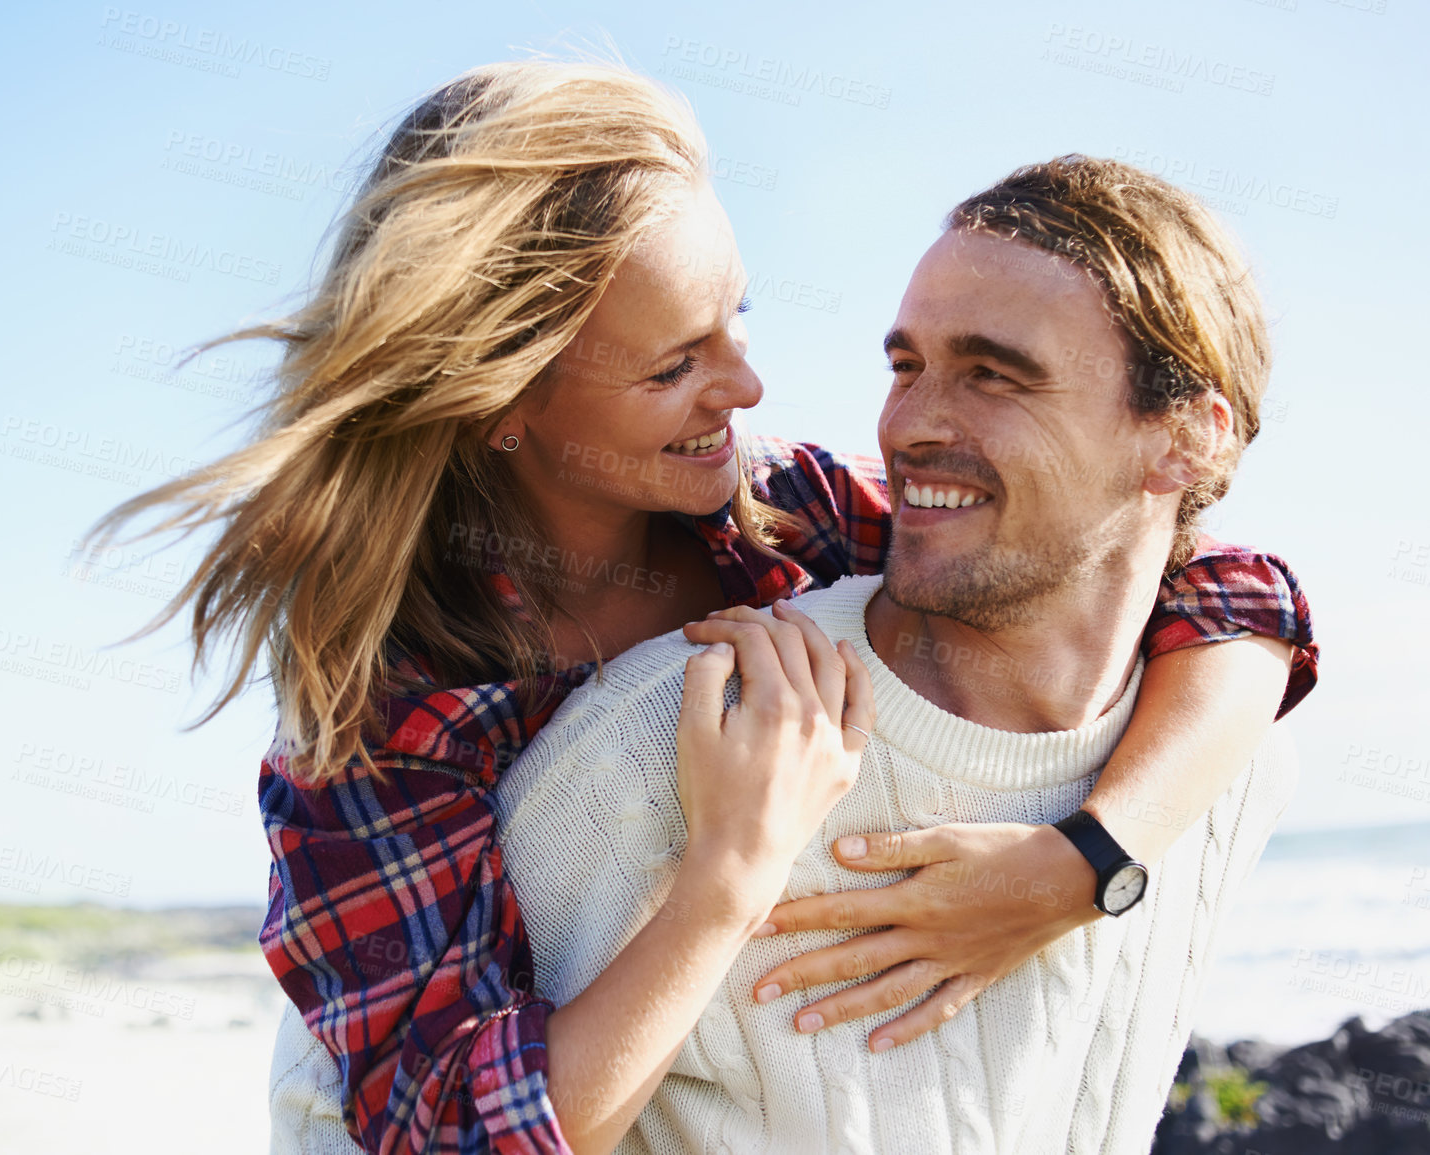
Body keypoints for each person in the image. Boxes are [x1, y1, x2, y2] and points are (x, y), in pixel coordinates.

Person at [88, 62, 1315, 1155]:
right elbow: (458, 1133)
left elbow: (1218, 586)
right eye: (673, 364)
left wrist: (1078, 864)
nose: (746, 384)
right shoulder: (388, 710)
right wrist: (731, 868)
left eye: (736, 317)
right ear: (499, 402)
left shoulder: (781, 513)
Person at [487, 154, 1301, 1153]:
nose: (911, 424)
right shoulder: (669, 742)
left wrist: (1090, 862)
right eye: (906, 366)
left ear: (1185, 442)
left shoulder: (1227, 765)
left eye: (995, 374)